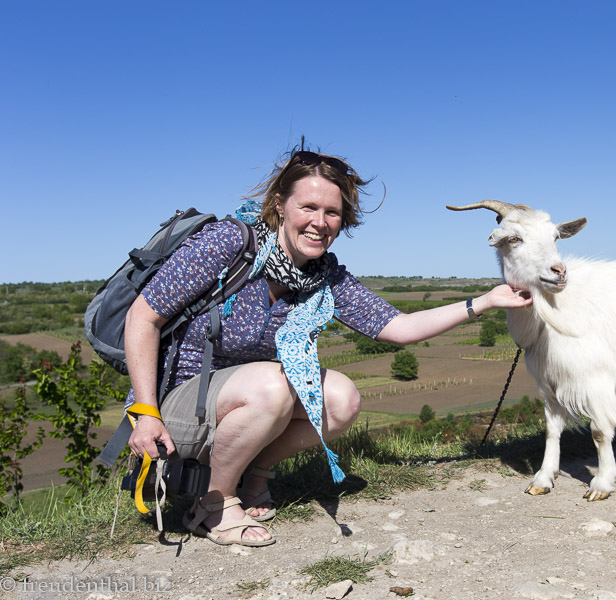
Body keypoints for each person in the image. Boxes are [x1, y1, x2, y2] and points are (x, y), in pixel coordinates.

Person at [124, 144, 532, 546]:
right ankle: (215, 503)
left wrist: (485, 301)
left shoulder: (324, 276)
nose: (320, 222)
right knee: (276, 382)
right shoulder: (227, 244)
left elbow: (397, 326)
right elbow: (142, 318)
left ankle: (254, 476)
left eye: (332, 212)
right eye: (309, 208)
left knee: (342, 399)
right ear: (280, 205)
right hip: (173, 408)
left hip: (247, 404)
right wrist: (146, 412)